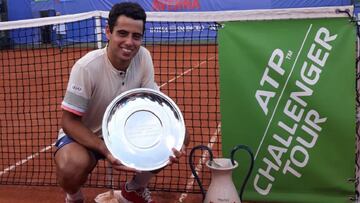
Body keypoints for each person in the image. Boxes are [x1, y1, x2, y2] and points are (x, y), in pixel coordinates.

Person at [53, 2, 189, 203]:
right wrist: (104, 149)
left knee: (179, 136)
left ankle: (134, 189)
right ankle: (74, 196)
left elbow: (152, 104)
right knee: (71, 165)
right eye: (122, 33)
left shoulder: (143, 57)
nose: (129, 42)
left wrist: (171, 141)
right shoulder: (86, 68)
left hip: (125, 133)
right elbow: (69, 122)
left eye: (136, 36)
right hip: (86, 137)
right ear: (108, 32)